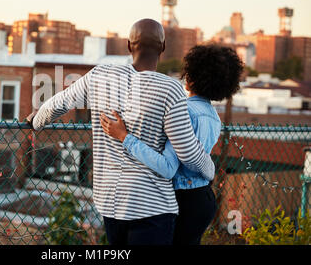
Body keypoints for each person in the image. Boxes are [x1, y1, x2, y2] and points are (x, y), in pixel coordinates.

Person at [27, 19, 215, 245]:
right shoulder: (170, 88)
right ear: (163, 48)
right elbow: (188, 153)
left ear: (128, 46)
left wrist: (36, 121)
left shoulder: (98, 77)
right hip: (151, 206)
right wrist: (210, 169)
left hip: (111, 204)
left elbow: (59, 103)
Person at [100, 44, 244, 244]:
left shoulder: (181, 110)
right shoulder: (214, 117)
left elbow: (168, 165)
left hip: (181, 199)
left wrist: (125, 137)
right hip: (203, 199)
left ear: (190, 78)